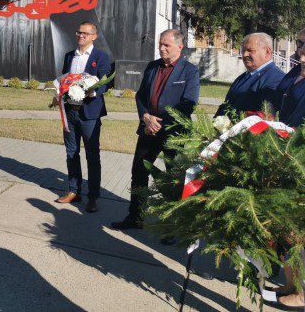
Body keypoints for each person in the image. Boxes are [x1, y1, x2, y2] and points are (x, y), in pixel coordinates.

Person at [111, 29, 200, 232]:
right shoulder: (152, 67)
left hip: (173, 135)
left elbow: (189, 104)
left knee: (173, 180)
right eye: (160, 44)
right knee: (139, 172)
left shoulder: (190, 71)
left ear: (180, 46)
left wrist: (159, 122)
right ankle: (136, 217)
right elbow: (141, 96)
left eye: (166, 45)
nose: (161, 48)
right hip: (148, 131)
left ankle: (172, 225)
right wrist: (146, 117)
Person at [266, 36, 305, 311]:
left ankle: (301, 293)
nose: (301, 58)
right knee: (291, 236)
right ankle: (294, 288)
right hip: (292, 170)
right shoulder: (299, 77)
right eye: (302, 51)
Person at [54, 22, 111, 212]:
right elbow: (64, 79)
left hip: (90, 114)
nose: (81, 36)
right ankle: (73, 190)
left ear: (94, 36)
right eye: (79, 32)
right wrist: (58, 94)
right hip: (70, 112)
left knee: (92, 155)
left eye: (86, 33)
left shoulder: (101, 57)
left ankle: (93, 196)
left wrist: (91, 92)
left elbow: (104, 83)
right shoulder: (70, 55)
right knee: (71, 153)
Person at [215, 32, 284, 117]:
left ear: (267, 51)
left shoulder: (276, 79)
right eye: (243, 50)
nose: (244, 54)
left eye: (250, 50)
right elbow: (226, 105)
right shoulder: (243, 77)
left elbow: (265, 117)